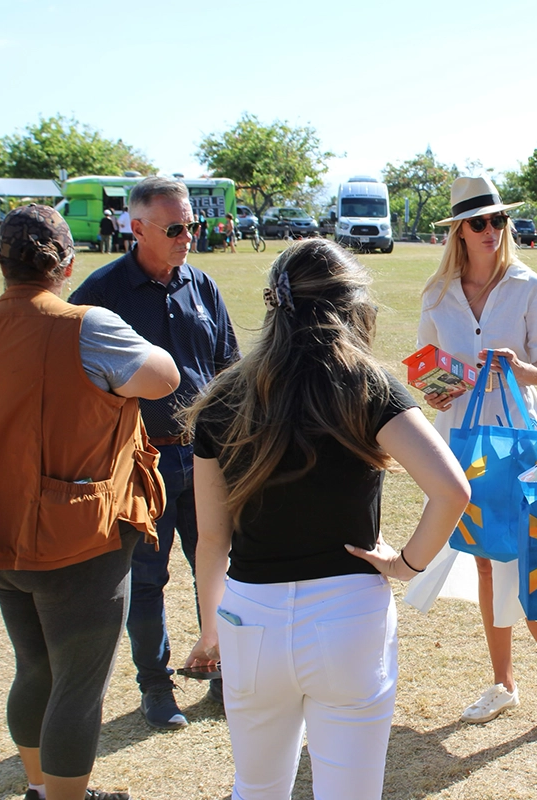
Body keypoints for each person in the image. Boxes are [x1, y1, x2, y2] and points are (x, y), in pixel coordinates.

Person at [182, 238, 470, 799]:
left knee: (257, 787)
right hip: (348, 616)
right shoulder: (368, 386)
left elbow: (211, 539)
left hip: (250, 617)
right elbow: (452, 491)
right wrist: (407, 565)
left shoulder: (226, 395)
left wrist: (211, 629)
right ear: (353, 304)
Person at [0, 205, 180, 800]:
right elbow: (164, 378)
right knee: (77, 683)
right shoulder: (87, 325)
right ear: (67, 264)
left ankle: (42, 787)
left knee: (35, 667)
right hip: (77, 539)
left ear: (2, 265)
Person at [408, 175, 537, 737]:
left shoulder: (529, 285)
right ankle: (504, 683)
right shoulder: (437, 294)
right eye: (479, 223)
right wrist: (436, 388)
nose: (492, 231)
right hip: (462, 442)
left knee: (529, 555)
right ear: (458, 233)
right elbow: (427, 370)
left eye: (498, 220)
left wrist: (516, 366)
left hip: (517, 439)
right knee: (489, 560)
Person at [69, 176, 240, 730]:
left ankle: (222, 672)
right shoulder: (99, 296)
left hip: (206, 457)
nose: (188, 235)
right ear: (135, 227)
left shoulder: (204, 286)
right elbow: (73, 381)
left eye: (192, 225)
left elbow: (228, 367)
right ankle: (155, 686)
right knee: (146, 579)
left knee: (217, 567)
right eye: (175, 227)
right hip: (138, 466)